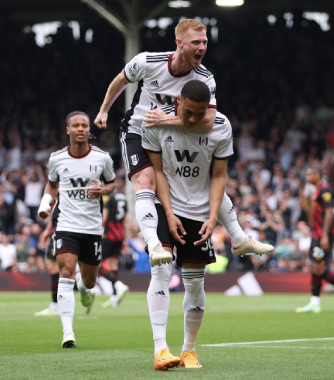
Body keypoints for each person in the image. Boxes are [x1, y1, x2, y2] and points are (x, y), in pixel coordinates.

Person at [93, 18, 272, 266]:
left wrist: (166, 120)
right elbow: (120, 80)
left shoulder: (204, 79)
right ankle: (154, 244)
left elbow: (208, 121)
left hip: (169, 134)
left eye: (205, 42)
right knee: (146, 181)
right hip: (137, 131)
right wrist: (104, 111)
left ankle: (239, 238)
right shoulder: (148, 62)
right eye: (195, 42)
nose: (201, 47)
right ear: (179, 43)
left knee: (206, 181)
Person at [141, 80, 233, 370]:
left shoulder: (220, 126)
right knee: (161, 269)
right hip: (164, 203)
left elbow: (218, 176)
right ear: (178, 100)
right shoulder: (155, 122)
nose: (193, 119)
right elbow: (157, 172)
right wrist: (168, 213)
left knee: (194, 284)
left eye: (200, 113)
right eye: (189, 112)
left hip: (199, 210)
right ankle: (161, 350)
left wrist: (212, 216)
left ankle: (189, 350)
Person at [38, 111, 116, 348]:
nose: (81, 129)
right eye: (76, 125)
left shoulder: (103, 158)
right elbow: (52, 184)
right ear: (68, 130)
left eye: (84, 125)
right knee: (65, 272)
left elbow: (112, 183)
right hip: (66, 225)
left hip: (92, 227)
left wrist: (102, 190)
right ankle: (68, 333)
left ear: (88, 131)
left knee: (90, 281)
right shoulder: (57, 158)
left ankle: (84, 287)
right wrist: (45, 203)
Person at [296, 167, 334, 314]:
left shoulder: (325, 190)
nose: (307, 176)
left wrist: (324, 235)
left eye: (310, 174)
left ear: (318, 175)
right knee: (314, 268)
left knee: (318, 268)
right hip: (316, 233)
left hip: (324, 234)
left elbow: (329, 213)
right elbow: (312, 212)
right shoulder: (315, 191)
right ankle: (314, 303)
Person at [100, 188, 130, 308]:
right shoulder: (124, 199)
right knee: (114, 266)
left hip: (109, 235)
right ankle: (114, 296)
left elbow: (104, 218)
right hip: (119, 235)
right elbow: (126, 221)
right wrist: (125, 239)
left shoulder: (109, 199)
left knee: (96, 264)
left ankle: (118, 284)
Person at [33, 214, 60, 316]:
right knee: (61, 270)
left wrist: (47, 231)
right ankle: (83, 287)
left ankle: (55, 306)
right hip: (63, 232)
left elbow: (55, 215)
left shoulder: (57, 198)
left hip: (58, 233)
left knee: (54, 269)